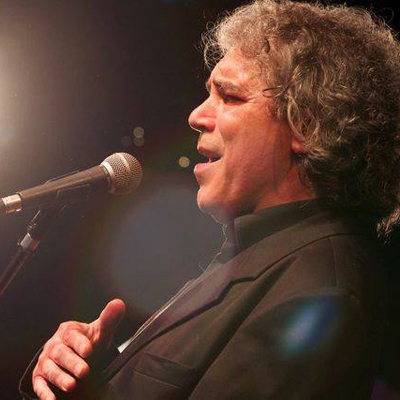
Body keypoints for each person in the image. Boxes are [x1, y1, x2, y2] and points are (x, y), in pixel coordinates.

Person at [20, 0, 400, 398]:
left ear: (305, 124)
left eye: (229, 97)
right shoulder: (262, 257)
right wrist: (87, 374)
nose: (197, 116)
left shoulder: (317, 294)